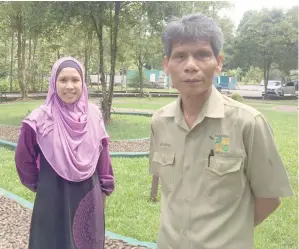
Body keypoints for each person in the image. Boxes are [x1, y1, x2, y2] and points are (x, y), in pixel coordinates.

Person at [149, 13, 293, 249]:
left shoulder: (249, 123)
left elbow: (269, 199)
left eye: (202, 54)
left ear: (219, 62)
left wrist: (226, 235)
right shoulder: (160, 122)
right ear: (166, 65)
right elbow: (170, 191)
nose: (191, 66)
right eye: (180, 56)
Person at [15, 57, 114, 249]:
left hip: (88, 194)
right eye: (63, 80)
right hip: (53, 194)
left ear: (82, 82)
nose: (70, 86)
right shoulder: (38, 120)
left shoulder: (93, 115)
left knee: (86, 242)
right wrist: (41, 185)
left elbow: (103, 154)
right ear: (54, 82)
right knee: (52, 240)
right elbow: (23, 159)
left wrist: (105, 186)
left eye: (75, 80)